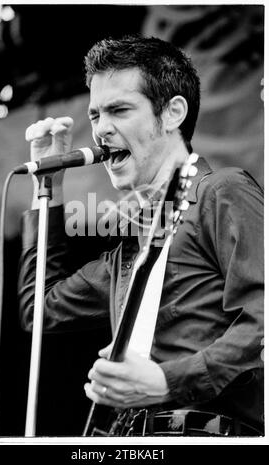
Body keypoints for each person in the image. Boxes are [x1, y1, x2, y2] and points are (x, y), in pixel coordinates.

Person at [18, 35, 264, 436]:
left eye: (119, 110)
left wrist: (168, 380)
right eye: (95, 115)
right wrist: (48, 191)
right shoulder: (131, 252)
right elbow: (39, 309)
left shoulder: (221, 191)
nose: (100, 130)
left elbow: (264, 318)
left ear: (172, 114)